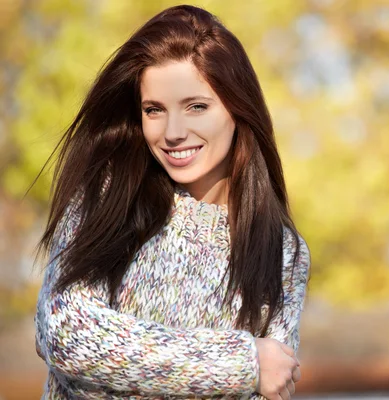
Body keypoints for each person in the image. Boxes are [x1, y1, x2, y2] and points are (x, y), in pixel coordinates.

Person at [34, 5, 310, 400]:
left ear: (237, 107)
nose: (174, 133)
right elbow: (64, 332)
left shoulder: (284, 252)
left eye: (196, 106)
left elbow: (273, 384)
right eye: (154, 110)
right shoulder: (107, 198)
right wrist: (242, 364)